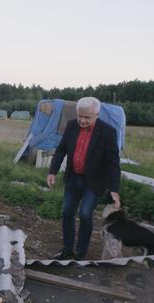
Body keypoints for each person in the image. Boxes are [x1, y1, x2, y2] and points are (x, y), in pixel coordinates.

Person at [47, 97, 121, 260]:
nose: (82, 120)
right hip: (73, 177)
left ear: (97, 115)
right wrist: (53, 171)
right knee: (67, 211)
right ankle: (67, 250)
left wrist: (114, 189)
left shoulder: (107, 132)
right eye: (80, 115)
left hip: (93, 181)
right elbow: (61, 150)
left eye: (87, 117)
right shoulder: (72, 126)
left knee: (86, 214)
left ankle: (80, 253)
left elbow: (113, 163)